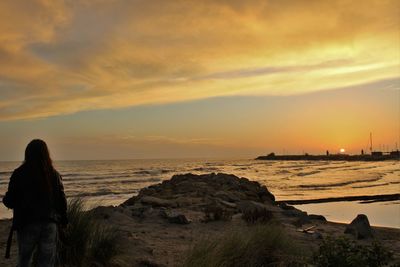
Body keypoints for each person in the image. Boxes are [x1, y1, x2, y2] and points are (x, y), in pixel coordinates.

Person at [3, 139, 68, 267]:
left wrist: (6, 199)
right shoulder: (54, 174)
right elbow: (61, 201)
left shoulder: (19, 173)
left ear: (27, 154)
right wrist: (64, 221)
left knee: (24, 261)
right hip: (50, 223)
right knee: (46, 263)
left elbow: (10, 201)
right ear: (46, 154)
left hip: (27, 224)